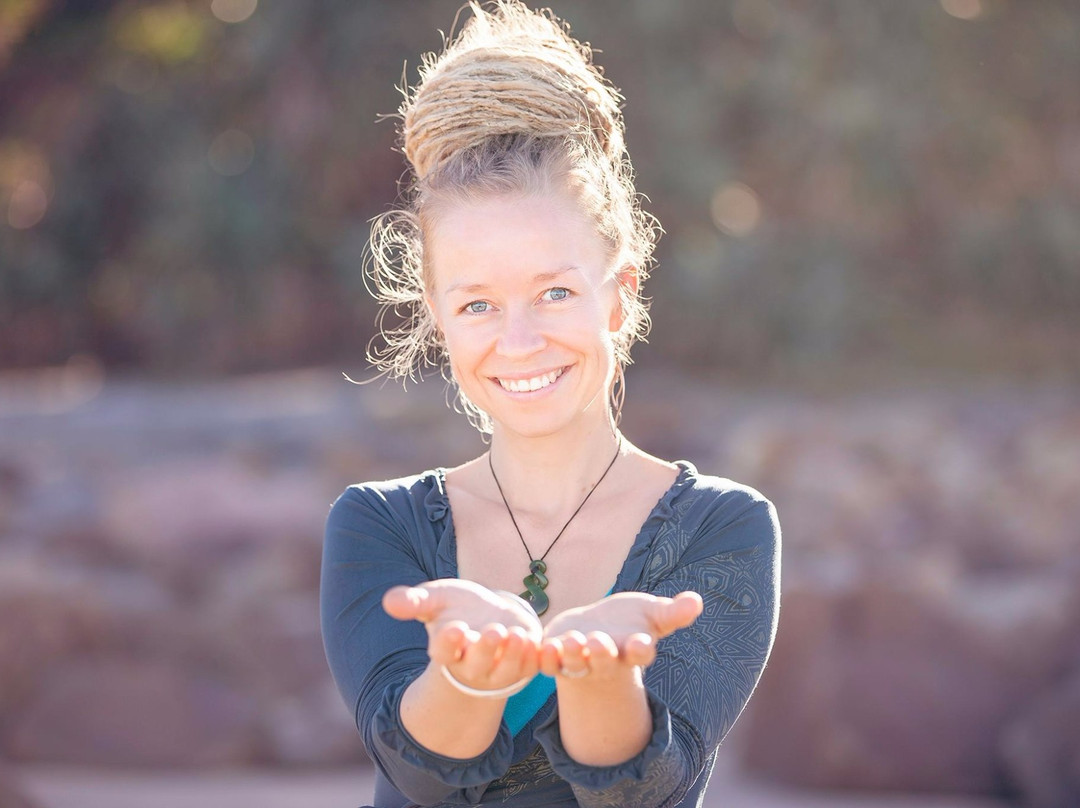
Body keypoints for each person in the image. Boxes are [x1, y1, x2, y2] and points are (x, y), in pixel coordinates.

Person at [320, 2, 781, 806]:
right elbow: (419, 773)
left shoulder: (725, 528)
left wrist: (600, 679)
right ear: (437, 319)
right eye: (477, 306)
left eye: (556, 292)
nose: (521, 340)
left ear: (617, 297)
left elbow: (643, 790)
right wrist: (464, 679)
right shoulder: (376, 526)